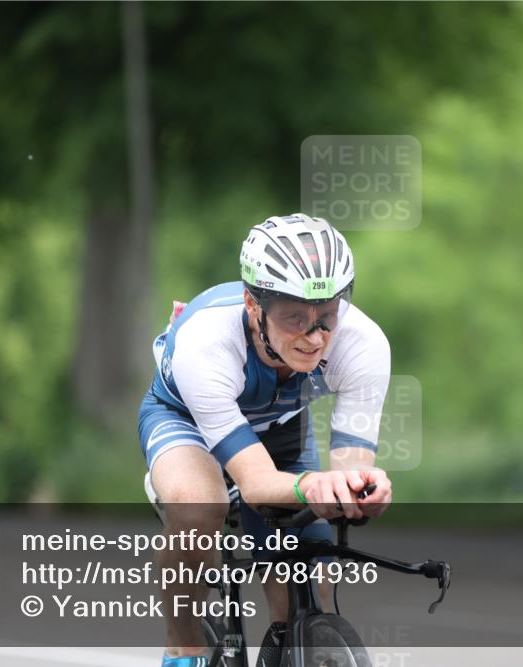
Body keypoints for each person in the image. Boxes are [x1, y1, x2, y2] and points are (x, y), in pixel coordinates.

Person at [138, 213, 393, 667]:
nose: (315, 337)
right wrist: (310, 487)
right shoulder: (206, 341)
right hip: (185, 419)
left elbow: (349, 470)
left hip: (280, 426)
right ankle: (183, 646)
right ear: (254, 305)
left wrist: (360, 492)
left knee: (309, 578)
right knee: (201, 510)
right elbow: (257, 485)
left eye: (326, 316)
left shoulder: (363, 344)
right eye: (295, 317)